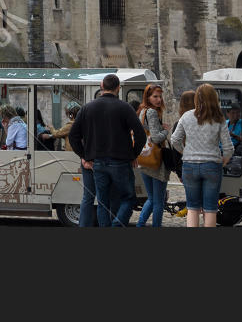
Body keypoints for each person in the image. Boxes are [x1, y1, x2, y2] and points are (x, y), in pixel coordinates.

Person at [67, 74, 147, 228]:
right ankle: (116, 224)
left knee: (102, 202)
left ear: (102, 86)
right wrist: (133, 154)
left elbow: (73, 136)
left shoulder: (87, 108)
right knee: (128, 198)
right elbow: (140, 135)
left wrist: (84, 155)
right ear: (118, 88)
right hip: (120, 161)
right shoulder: (125, 107)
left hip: (97, 162)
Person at [169, 83, 235, 229]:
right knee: (210, 208)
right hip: (212, 165)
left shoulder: (186, 116)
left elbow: (174, 140)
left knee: (192, 207)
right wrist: (223, 161)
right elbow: (228, 147)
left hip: (189, 165)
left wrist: (185, 152)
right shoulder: (219, 118)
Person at [136, 83, 169, 228]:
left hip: (144, 159)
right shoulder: (152, 113)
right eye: (155, 96)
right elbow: (156, 138)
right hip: (155, 161)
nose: (159, 100)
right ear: (148, 97)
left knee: (151, 198)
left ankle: (140, 224)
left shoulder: (142, 111)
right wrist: (166, 130)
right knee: (158, 201)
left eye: (160, 96)